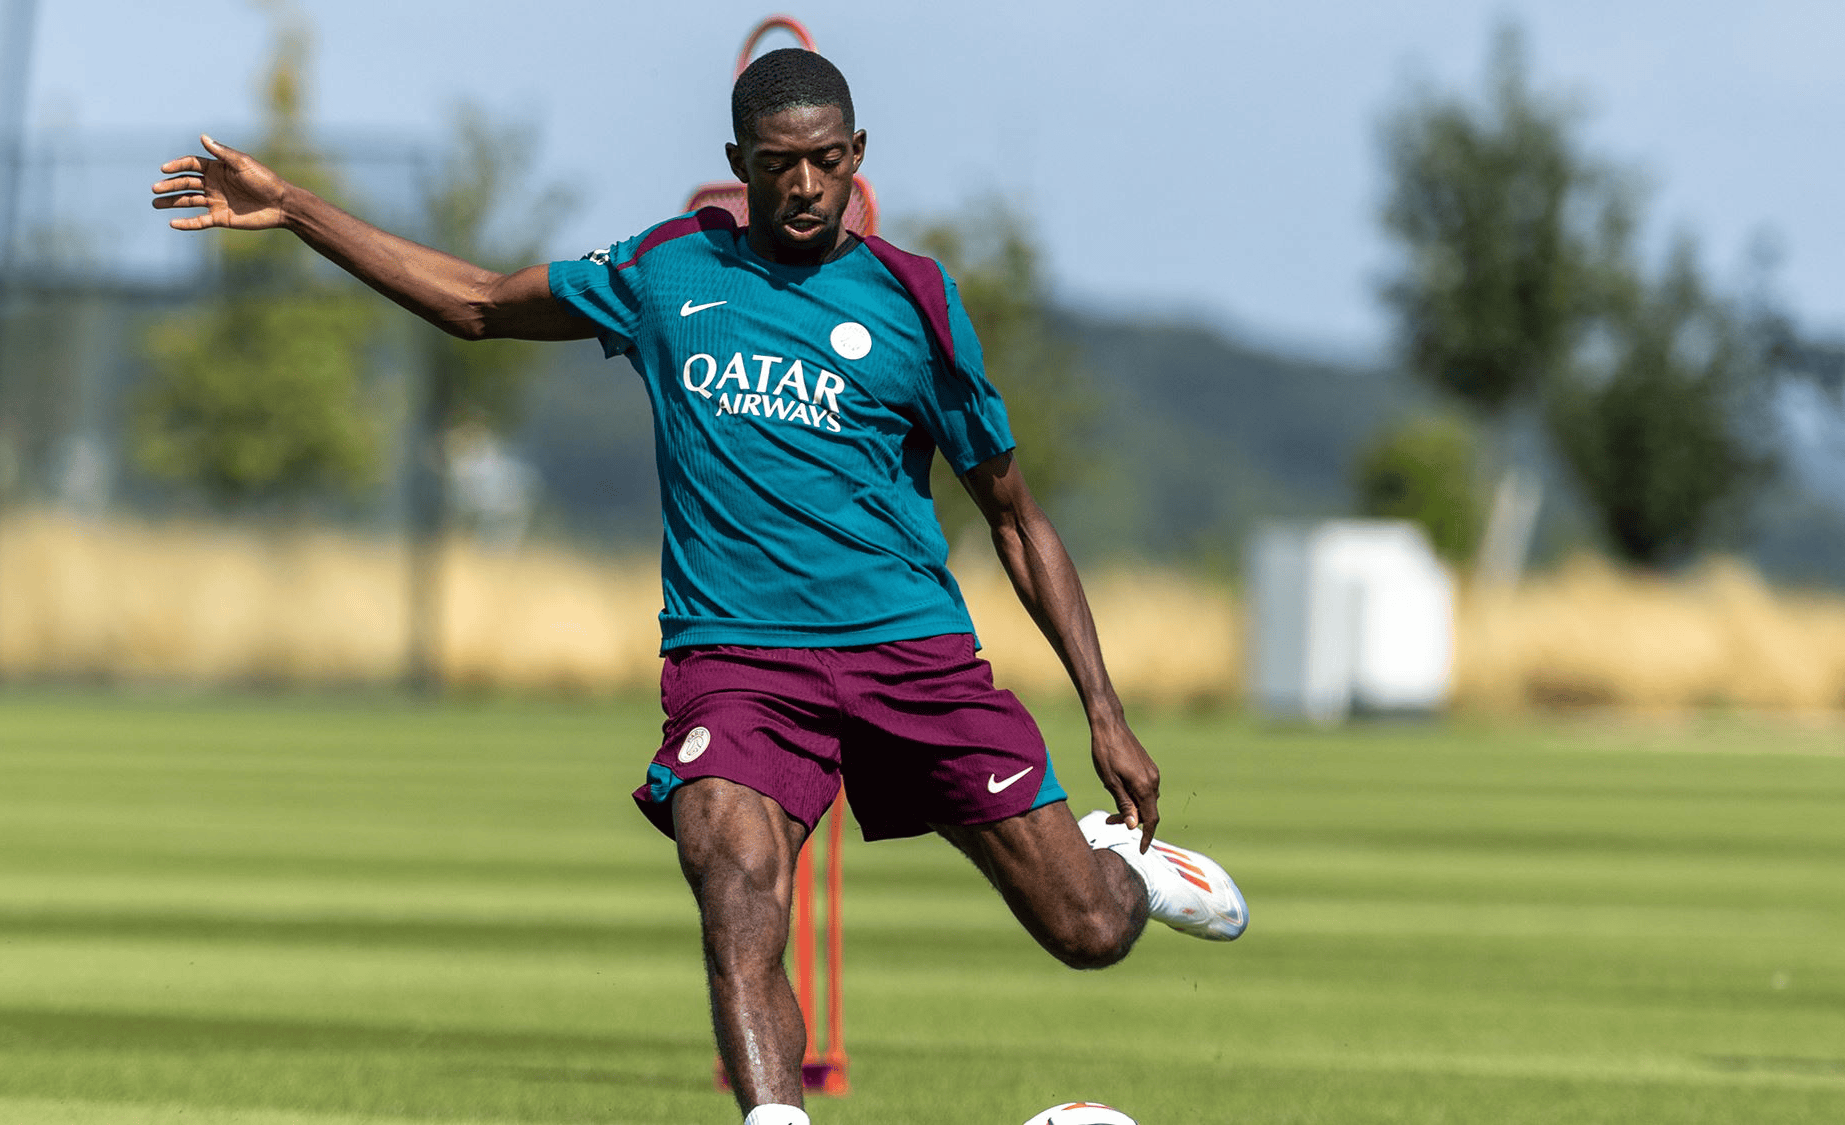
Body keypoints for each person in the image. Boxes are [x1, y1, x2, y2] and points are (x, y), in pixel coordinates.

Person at [152, 47, 1245, 1125]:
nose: (804, 184)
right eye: (778, 163)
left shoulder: (914, 301)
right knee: (734, 886)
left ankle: (1123, 867)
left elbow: (1015, 517)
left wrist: (1105, 713)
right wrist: (296, 208)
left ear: (858, 154)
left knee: (1086, 931)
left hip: (909, 654)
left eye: (825, 160)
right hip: (737, 664)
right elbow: (478, 302)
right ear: (737, 164)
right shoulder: (667, 270)